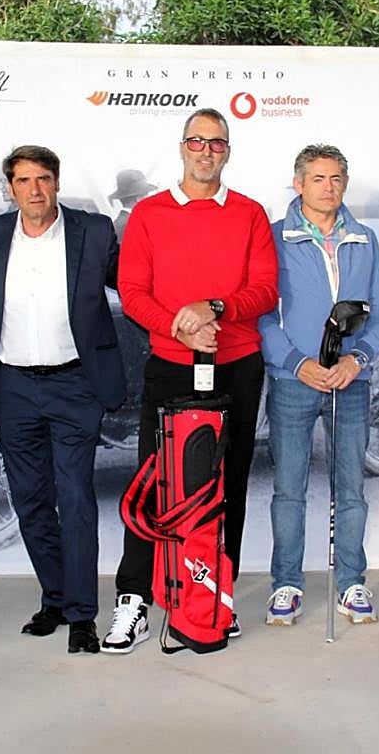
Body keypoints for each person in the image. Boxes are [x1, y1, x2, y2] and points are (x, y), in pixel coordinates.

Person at [103, 107, 278, 654]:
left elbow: (265, 290)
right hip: (172, 366)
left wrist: (216, 309)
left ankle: (214, 597)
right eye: (197, 141)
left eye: (217, 143)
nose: (207, 150)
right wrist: (179, 325)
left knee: (228, 485)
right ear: (182, 147)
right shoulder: (150, 214)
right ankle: (134, 599)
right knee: (155, 485)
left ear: (228, 151)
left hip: (237, 364)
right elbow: (133, 292)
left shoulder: (249, 213)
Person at [0, 146, 124, 655]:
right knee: (31, 499)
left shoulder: (95, 231)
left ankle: (83, 613)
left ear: (56, 183)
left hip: (74, 383)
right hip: (13, 385)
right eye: (23, 180)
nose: (34, 190)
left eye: (43, 179)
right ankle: (55, 598)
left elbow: (136, 283)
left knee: (76, 497)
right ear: (11, 188)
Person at [258, 144, 379, 626]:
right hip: (295, 381)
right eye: (317, 178)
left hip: (350, 382)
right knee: (290, 490)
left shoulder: (364, 239)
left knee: (351, 489)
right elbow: (263, 316)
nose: (328, 187)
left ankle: (353, 583)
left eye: (336, 178)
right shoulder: (273, 238)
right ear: (298, 184)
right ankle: (287, 585)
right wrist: (297, 363)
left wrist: (358, 360)